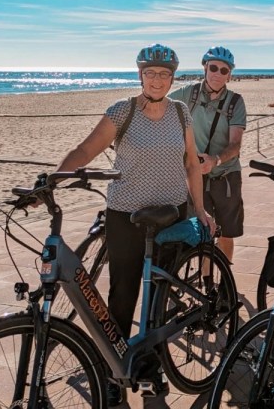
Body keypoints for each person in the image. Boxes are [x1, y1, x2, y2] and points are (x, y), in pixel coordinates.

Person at [55, 44, 215, 406]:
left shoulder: (180, 112)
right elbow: (84, 151)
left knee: (160, 295)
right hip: (125, 216)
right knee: (123, 295)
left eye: (164, 74)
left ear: (173, 77)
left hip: (171, 213)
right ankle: (115, 370)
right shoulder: (122, 111)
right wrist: (52, 179)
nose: (157, 80)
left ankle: (152, 364)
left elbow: (192, 163)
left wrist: (201, 210)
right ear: (140, 75)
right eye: (150, 73)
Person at [169, 46, 246, 262]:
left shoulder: (235, 102)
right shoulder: (188, 94)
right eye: (213, 68)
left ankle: (223, 285)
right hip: (195, 174)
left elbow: (236, 144)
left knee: (226, 235)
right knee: (200, 232)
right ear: (205, 67)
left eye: (224, 70)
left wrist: (216, 160)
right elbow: (159, 106)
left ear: (230, 75)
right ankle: (205, 282)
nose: (217, 74)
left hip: (226, 176)